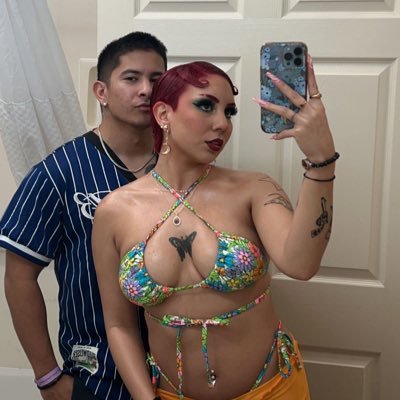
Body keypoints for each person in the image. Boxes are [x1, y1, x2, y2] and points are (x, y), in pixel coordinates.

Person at [92, 59, 336, 400]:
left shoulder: (254, 190)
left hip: (272, 391)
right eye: (206, 106)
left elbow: (301, 265)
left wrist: (321, 161)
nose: (222, 123)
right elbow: (119, 324)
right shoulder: (114, 211)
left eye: (229, 112)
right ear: (163, 114)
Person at [0, 31, 167, 400]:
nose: (145, 90)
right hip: (98, 378)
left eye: (156, 79)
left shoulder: (180, 167)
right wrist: (47, 377)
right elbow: (18, 276)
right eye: (131, 78)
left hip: (180, 377)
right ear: (101, 91)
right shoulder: (60, 171)